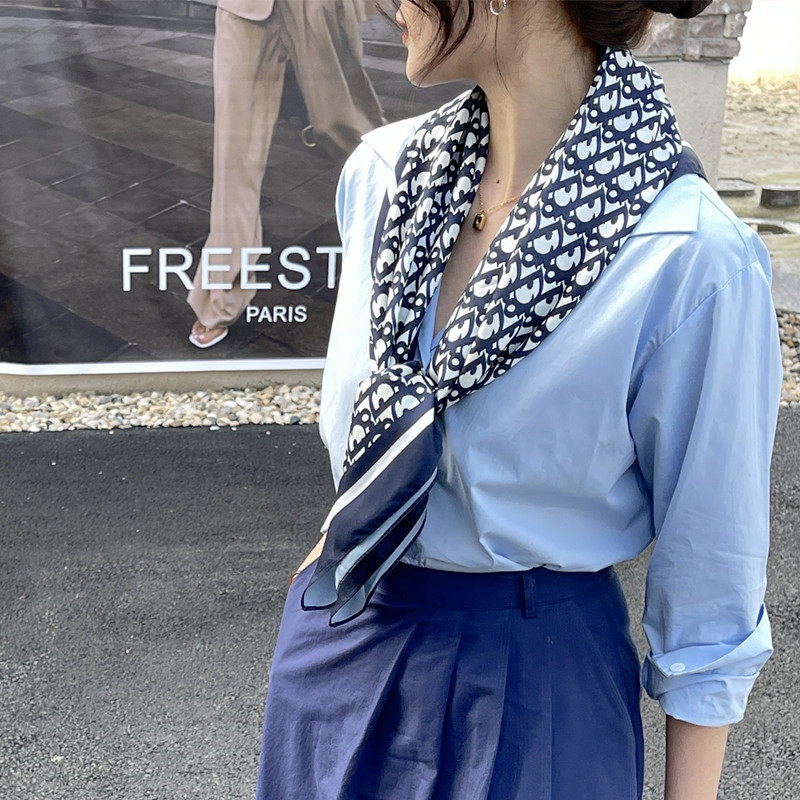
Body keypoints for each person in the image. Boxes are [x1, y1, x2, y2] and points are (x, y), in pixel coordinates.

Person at [254, 1, 783, 798]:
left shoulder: (687, 256)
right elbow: (382, 440)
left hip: (533, 697)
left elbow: (712, 597)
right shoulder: (385, 178)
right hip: (337, 663)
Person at [187, 0, 386, 348]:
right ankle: (220, 296)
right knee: (235, 153)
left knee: (345, 125)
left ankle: (404, 227)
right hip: (243, 8)